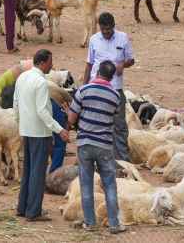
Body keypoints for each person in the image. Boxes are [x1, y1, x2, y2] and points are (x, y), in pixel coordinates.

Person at [67, 59, 126, 235]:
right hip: (105, 145)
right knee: (109, 184)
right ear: (112, 76)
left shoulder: (83, 91)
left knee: (86, 184)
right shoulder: (115, 95)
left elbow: (71, 118)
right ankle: (114, 223)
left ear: (97, 72)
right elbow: (114, 116)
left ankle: (90, 222)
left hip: (85, 143)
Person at [13, 48, 69, 221]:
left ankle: (23, 206)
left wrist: (20, 123)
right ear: (43, 62)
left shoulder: (22, 77)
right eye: (50, 62)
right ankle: (34, 211)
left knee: (28, 170)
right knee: (37, 172)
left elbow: (16, 103)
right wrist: (59, 129)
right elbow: (43, 111)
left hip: (26, 129)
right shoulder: (41, 83)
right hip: (39, 132)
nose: (52, 66)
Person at [84, 13, 135, 160]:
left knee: (119, 125)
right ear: (99, 27)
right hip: (96, 87)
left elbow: (131, 60)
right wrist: (84, 87)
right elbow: (89, 64)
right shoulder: (94, 39)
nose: (106, 32)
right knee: (96, 123)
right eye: (103, 29)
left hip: (115, 88)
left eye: (108, 29)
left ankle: (123, 160)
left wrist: (122, 65)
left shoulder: (123, 38)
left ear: (113, 26)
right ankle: (98, 157)